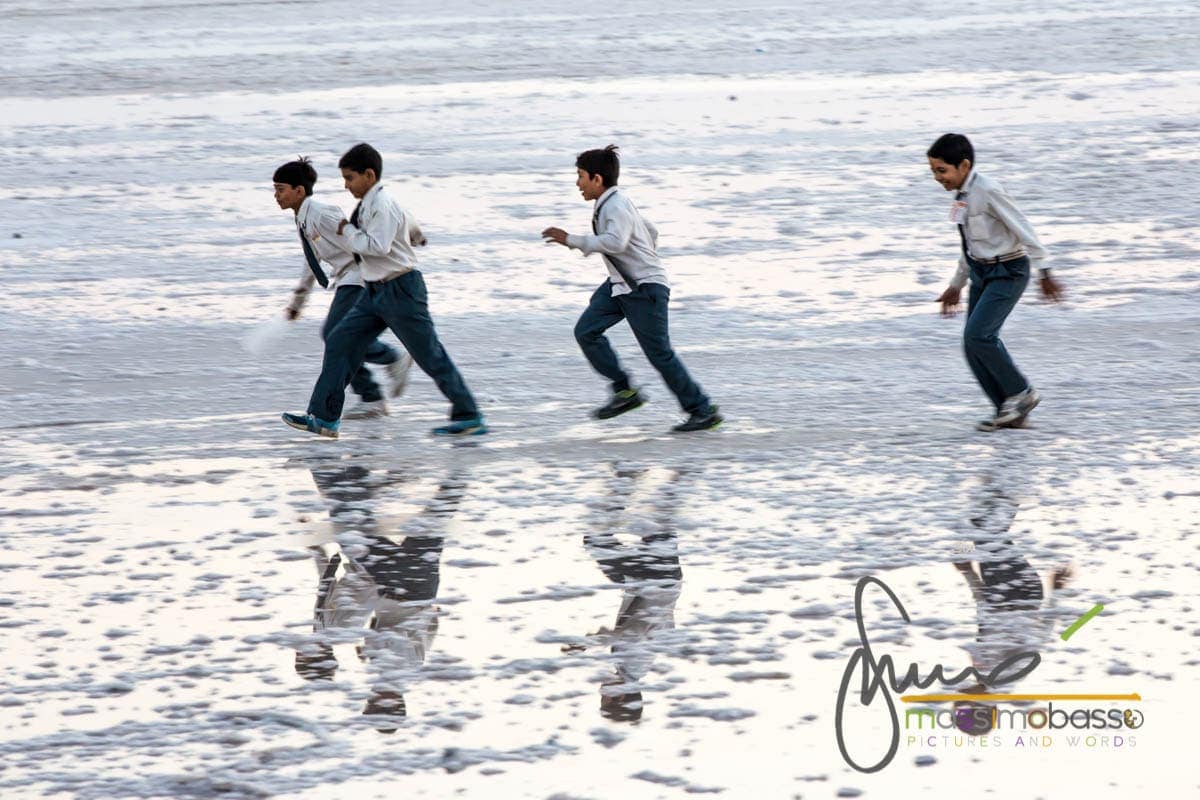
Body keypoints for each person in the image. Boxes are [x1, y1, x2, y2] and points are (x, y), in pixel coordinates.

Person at [282, 143, 486, 438]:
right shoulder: (370, 204)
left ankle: (470, 415)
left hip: (401, 290)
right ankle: (324, 418)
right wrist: (417, 236)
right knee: (338, 340)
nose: (346, 185)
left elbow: (376, 246)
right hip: (374, 292)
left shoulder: (382, 205)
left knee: (430, 355)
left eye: (350, 178)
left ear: (369, 174)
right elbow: (409, 220)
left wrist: (346, 231)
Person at [542, 145, 722, 433]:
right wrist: (641, 260)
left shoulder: (615, 205)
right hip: (622, 284)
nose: (577, 183)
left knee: (659, 354)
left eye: (580, 176)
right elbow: (650, 231)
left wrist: (572, 240)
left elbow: (616, 242)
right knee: (586, 331)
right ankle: (625, 392)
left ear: (597, 179)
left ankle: (702, 410)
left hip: (644, 289)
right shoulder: (612, 203)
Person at [928, 133, 1065, 432]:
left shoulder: (988, 190)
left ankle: (1022, 392)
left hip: (1009, 271)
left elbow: (1023, 227)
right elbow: (969, 246)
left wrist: (1045, 270)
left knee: (980, 336)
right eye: (933, 172)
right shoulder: (961, 198)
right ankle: (1007, 408)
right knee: (971, 343)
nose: (938, 178)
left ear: (964, 165)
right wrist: (957, 284)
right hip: (981, 273)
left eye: (942, 170)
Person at [273, 157, 412, 419]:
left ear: (299, 191)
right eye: (275, 189)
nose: (276, 196)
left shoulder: (322, 214)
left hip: (359, 277)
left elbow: (357, 241)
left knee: (335, 337)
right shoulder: (303, 218)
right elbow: (311, 261)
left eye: (280, 189)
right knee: (338, 338)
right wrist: (297, 303)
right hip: (347, 279)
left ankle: (391, 362)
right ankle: (372, 396)